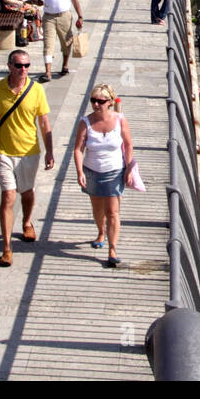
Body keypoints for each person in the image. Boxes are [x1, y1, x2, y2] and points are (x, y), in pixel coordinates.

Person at [0, 48, 53, 267]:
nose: (24, 70)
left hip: (29, 151)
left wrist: (50, 151)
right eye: (19, 65)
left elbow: (44, 122)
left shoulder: (37, 90)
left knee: (27, 193)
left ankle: (27, 221)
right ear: (10, 66)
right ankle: (6, 248)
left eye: (27, 66)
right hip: (4, 151)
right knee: (8, 196)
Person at [73, 83, 135, 268]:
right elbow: (78, 149)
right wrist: (79, 171)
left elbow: (129, 144)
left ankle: (112, 249)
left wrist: (129, 167)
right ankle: (101, 231)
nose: (96, 104)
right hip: (92, 170)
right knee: (98, 210)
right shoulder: (85, 122)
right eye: (93, 100)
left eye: (100, 101)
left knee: (113, 212)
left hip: (115, 170)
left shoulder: (120, 119)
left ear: (109, 102)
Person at [29, 0, 83, 82]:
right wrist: (38, 1)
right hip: (49, 17)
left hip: (64, 15)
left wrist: (80, 16)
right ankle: (47, 72)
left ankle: (65, 65)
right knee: (48, 44)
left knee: (66, 43)